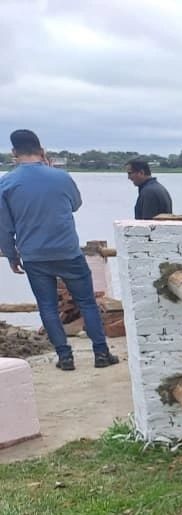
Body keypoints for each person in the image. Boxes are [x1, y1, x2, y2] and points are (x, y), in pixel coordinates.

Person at [0, 129, 114, 371]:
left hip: (33, 255)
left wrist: (11, 256)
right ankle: (101, 353)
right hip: (68, 251)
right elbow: (76, 204)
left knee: (47, 306)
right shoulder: (61, 177)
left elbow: (4, 227)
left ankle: (65, 357)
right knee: (87, 303)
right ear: (41, 151)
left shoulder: (6, 183)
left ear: (14, 153)